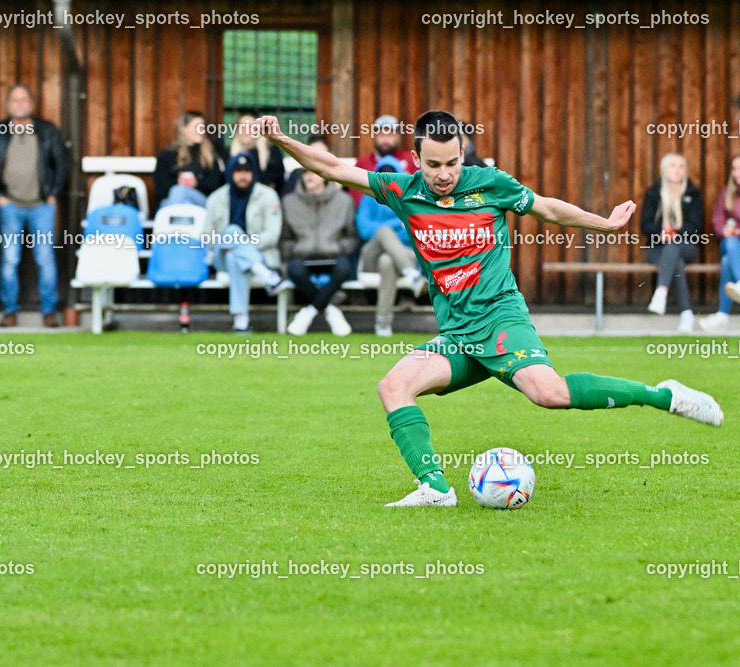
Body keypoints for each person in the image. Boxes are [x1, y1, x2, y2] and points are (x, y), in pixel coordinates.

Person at [256, 109, 723, 508]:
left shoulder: (490, 184)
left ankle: (664, 394)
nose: (444, 174)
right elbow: (335, 167)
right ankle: (435, 488)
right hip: (458, 334)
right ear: (415, 160)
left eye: (453, 162)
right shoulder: (403, 191)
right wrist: (280, 140)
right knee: (393, 385)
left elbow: (549, 211)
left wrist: (602, 223)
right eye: (434, 164)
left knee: (549, 394)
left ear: (464, 153)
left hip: (501, 319)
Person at [0, 83, 65, 327]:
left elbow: (61, 164)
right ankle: (10, 311)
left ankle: (48, 311)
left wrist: (53, 195)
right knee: (10, 259)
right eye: (15, 100)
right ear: (8, 104)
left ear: (31, 103)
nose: (19, 104)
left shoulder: (47, 130)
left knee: (45, 258)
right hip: (9, 206)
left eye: (24, 99)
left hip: (41, 205)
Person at [205, 153, 287, 332]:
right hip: (222, 255)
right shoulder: (216, 198)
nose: (243, 175)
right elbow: (207, 237)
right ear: (230, 173)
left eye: (247, 171)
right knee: (232, 231)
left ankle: (241, 319)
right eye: (238, 171)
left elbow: (272, 234)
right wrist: (227, 243)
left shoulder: (267, 195)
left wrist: (242, 245)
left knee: (236, 257)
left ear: (254, 173)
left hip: (261, 255)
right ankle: (269, 278)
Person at [281, 168, 359, 336]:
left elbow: (352, 238)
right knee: (294, 269)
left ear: (324, 176)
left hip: (333, 255)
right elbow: (284, 240)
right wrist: (295, 248)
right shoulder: (289, 202)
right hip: (303, 256)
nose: (309, 176)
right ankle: (330, 309)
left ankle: (308, 312)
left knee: (344, 268)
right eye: (305, 173)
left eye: (313, 172)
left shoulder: (343, 200)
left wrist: (340, 248)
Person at [356, 155, 426, 337]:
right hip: (371, 255)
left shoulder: (409, 200)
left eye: (391, 174)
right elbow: (364, 230)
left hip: (404, 253)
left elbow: (415, 230)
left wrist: (393, 229)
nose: (387, 178)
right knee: (384, 232)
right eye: (382, 174)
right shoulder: (368, 198)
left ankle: (383, 322)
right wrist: (396, 225)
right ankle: (412, 275)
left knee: (388, 261)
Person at [640, 153, 703, 333]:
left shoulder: (693, 193)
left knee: (674, 247)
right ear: (664, 169)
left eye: (681, 166)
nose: (677, 170)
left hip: (686, 247)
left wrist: (675, 233)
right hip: (658, 249)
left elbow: (695, 225)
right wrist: (661, 233)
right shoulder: (653, 193)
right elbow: (645, 224)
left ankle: (661, 292)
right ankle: (686, 314)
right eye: (673, 165)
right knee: (675, 261)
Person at [700, 153, 740, 333]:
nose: (737, 172)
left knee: (726, 262)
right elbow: (717, 219)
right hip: (731, 244)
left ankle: (722, 316)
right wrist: (723, 230)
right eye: (734, 168)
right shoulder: (727, 193)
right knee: (731, 244)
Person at [154, 111, 224, 208]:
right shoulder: (167, 155)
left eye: (203, 127)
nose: (201, 131)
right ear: (183, 129)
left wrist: (196, 184)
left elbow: (215, 187)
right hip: (173, 201)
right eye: (197, 127)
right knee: (183, 200)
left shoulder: (210, 156)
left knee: (179, 191)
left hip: (202, 203)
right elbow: (160, 189)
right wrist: (178, 182)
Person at [350, 114, 417, 208]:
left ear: (398, 137)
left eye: (389, 135)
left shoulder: (411, 160)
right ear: (375, 136)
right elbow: (356, 195)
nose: (385, 140)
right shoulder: (362, 163)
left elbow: (417, 191)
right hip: (372, 216)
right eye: (381, 135)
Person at [224, 110, 285, 192]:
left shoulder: (270, 150)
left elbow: (276, 179)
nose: (246, 131)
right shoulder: (229, 153)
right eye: (242, 126)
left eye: (250, 127)